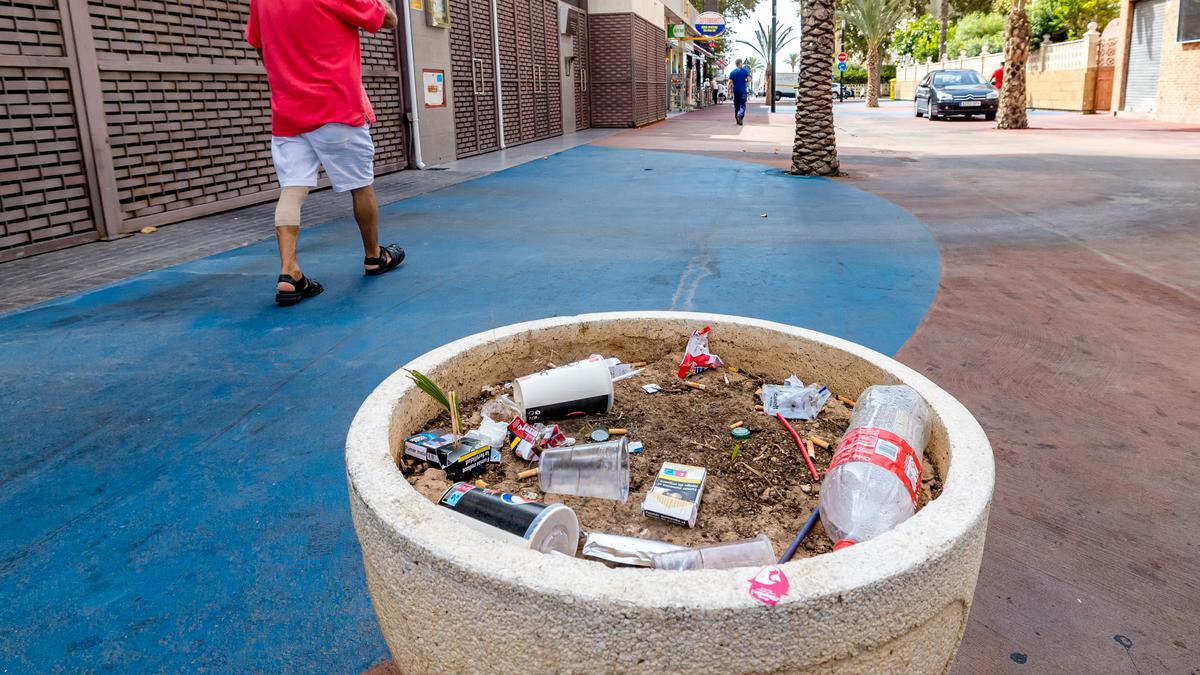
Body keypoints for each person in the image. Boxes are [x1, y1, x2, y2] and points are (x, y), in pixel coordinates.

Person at [245, 0, 406, 306]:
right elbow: (388, 18)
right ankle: (374, 256)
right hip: (337, 106)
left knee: (291, 190)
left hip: (289, 110)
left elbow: (259, 45)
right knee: (360, 185)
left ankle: (288, 271)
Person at [728, 59, 751, 125]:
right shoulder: (745, 71)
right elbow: (749, 80)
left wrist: (729, 92)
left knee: (736, 106)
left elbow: (729, 83)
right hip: (742, 91)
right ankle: (740, 115)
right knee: (742, 105)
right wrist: (748, 77)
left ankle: (738, 121)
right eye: (742, 63)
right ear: (740, 63)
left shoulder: (732, 72)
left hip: (735, 91)